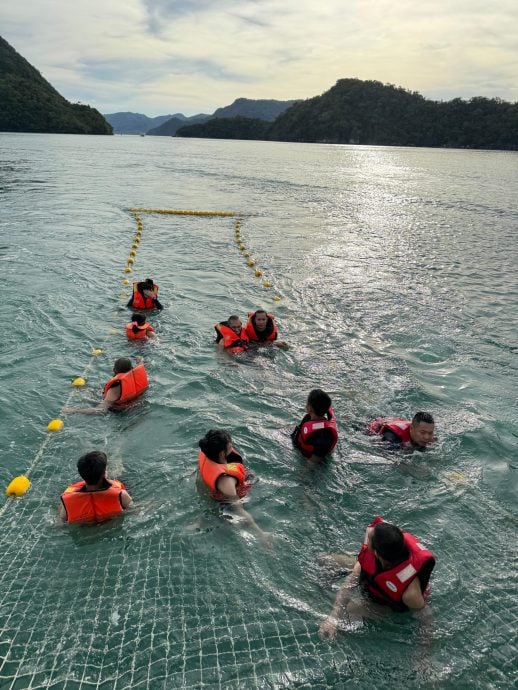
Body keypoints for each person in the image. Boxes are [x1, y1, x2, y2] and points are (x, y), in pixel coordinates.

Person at [319, 516, 435, 639]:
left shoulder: (410, 593)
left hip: (386, 604)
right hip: (375, 575)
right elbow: (350, 583)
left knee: (348, 610)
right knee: (326, 561)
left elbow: (426, 619)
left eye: (369, 539)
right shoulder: (381, 554)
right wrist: (332, 617)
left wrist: (423, 651)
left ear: (376, 552)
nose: (367, 536)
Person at [197, 429, 272, 545]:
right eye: (230, 446)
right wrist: (260, 533)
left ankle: (201, 522)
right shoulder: (226, 480)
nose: (232, 448)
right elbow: (239, 510)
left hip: (207, 491)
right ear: (222, 453)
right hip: (223, 505)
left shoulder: (207, 452)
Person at [59, 451, 132, 523]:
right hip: (110, 523)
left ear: (81, 474)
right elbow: (133, 510)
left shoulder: (67, 500)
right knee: (117, 477)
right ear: (104, 473)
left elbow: (62, 521)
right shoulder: (121, 495)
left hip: (84, 527)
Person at [64, 357, 148, 415]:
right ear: (132, 368)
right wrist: (139, 359)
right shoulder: (137, 374)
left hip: (122, 413)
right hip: (140, 407)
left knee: (87, 394)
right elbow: (141, 362)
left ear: (114, 370)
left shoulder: (115, 389)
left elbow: (100, 410)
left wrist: (74, 411)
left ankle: (82, 391)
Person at [291, 389, 338, 461]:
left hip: (311, 461)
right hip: (300, 445)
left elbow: (315, 460)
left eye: (307, 403)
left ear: (310, 408)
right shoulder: (308, 418)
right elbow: (300, 430)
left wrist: (303, 472)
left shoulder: (323, 435)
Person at [368, 412, 435, 450]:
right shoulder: (393, 437)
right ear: (411, 428)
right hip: (369, 425)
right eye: (422, 432)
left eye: (430, 433)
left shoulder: (428, 436)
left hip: (390, 420)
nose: (427, 437)